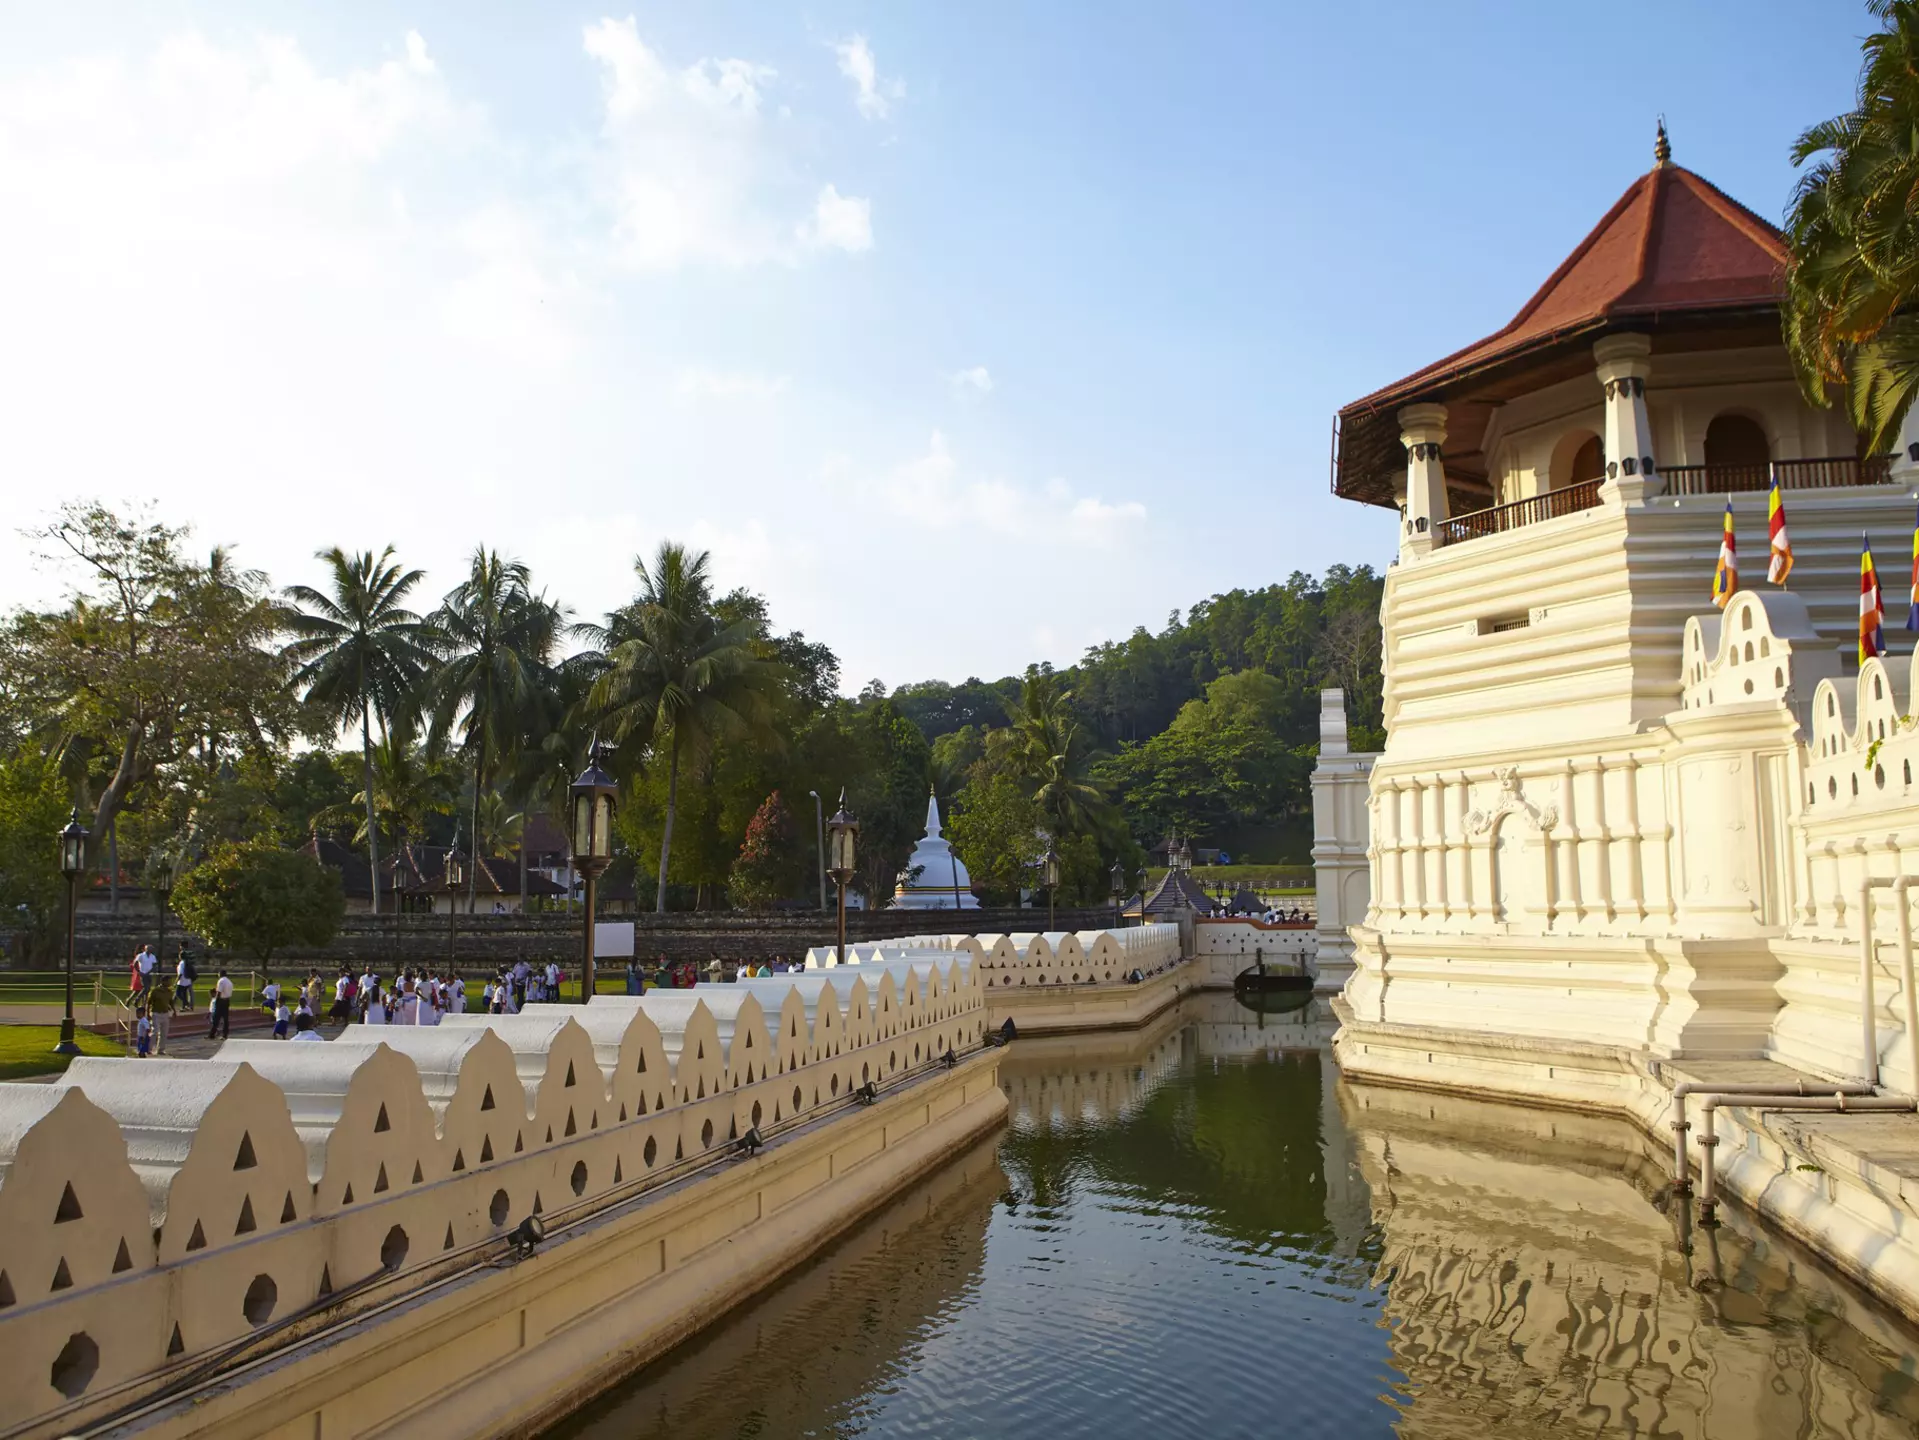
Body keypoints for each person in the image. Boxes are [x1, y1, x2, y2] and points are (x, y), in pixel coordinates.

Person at [147, 971, 174, 1055]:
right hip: (156, 1013)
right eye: (168, 981)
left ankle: (161, 1049)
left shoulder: (169, 992)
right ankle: (149, 1048)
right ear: (163, 981)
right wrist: (147, 1013)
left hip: (165, 1013)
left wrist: (174, 1011)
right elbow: (149, 1002)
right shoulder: (155, 991)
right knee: (154, 1032)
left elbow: (170, 1002)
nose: (170, 983)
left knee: (164, 1033)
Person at [207, 968, 234, 1039]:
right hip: (227, 1000)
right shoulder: (229, 981)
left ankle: (212, 1034)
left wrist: (216, 1001)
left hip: (221, 1000)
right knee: (225, 1019)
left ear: (221, 974)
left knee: (216, 1018)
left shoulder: (221, 981)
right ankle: (225, 1034)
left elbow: (219, 992)